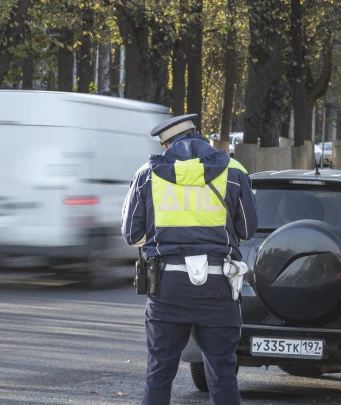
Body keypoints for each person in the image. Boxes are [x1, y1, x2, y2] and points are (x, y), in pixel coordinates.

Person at [121, 114, 258, 405]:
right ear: (198, 135)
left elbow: (132, 235)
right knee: (222, 372)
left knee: (159, 373)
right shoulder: (233, 171)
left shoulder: (147, 173)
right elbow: (247, 229)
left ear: (167, 144)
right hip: (218, 286)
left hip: (167, 285)